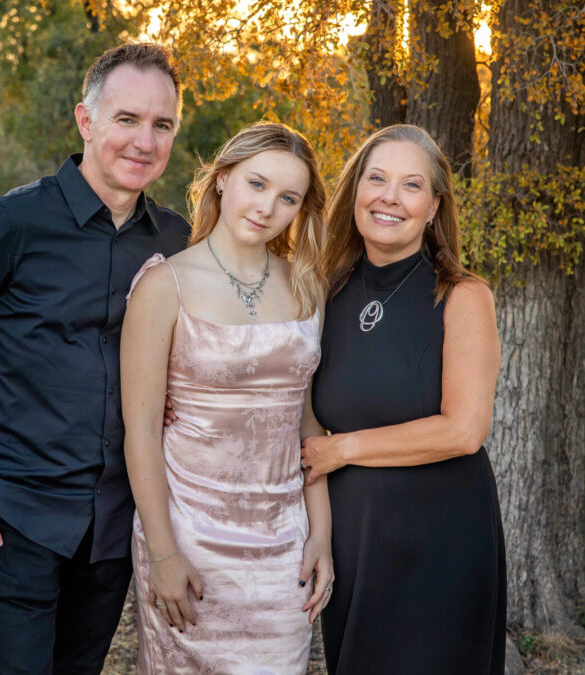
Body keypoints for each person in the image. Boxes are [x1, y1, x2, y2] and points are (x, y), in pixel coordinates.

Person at [0, 43, 190, 674]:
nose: (144, 141)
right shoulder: (13, 224)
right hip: (16, 518)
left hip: (116, 524)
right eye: (127, 120)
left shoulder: (178, 241)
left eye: (162, 125)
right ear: (86, 122)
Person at [120, 122, 335, 673]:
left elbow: (307, 424)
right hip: (189, 537)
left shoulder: (307, 286)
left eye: (288, 197)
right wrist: (164, 554)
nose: (267, 207)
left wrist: (321, 536)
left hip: (284, 545)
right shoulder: (162, 285)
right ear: (222, 181)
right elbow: (141, 431)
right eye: (256, 184)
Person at [301, 124, 507, 673]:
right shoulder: (328, 290)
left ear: (434, 206)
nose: (390, 196)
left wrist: (342, 449)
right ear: (357, 191)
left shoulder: (462, 295)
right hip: (353, 536)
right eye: (377, 178)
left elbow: (464, 429)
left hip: (439, 538)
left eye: (411, 185)